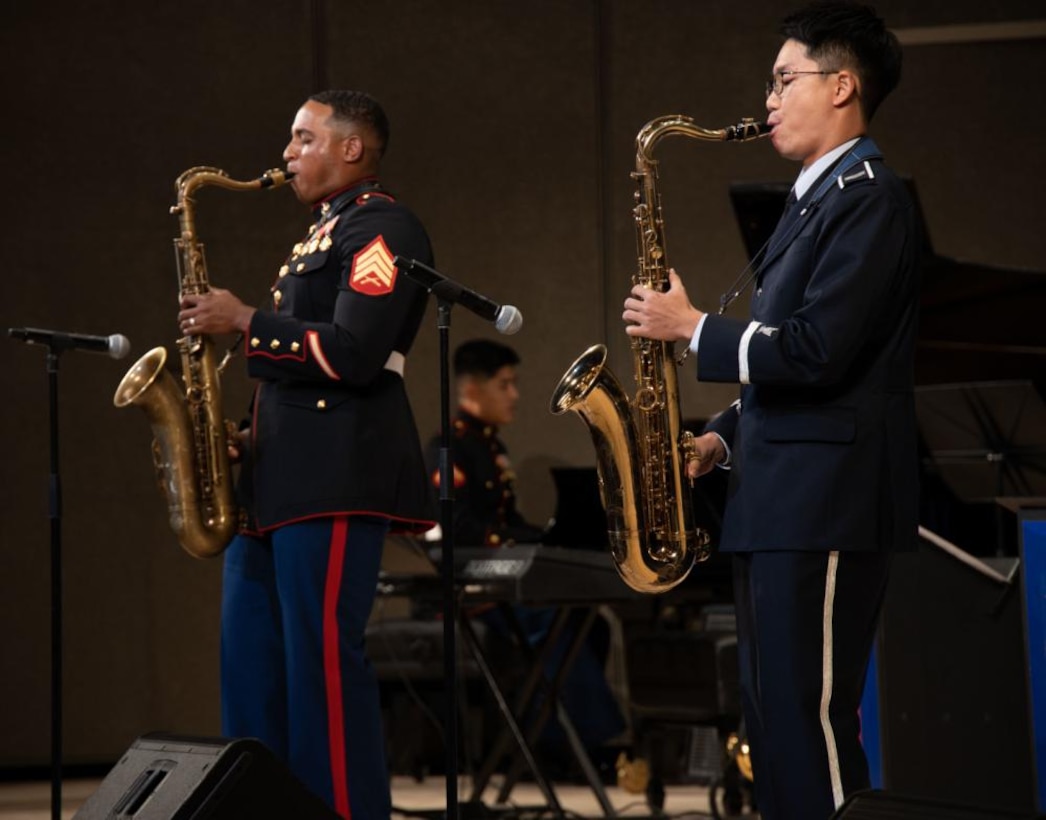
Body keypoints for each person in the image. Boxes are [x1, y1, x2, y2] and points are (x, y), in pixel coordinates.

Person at [622, 4, 916, 819]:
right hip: (778, 494)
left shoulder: (869, 196)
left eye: (786, 79)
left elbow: (820, 351)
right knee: (771, 723)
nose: (770, 98)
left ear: (844, 85)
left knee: (809, 723)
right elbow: (790, 368)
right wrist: (720, 439)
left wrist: (692, 330)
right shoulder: (811, 201)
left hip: (823, 499)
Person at [177, 89, 436, 819]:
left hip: (333, 479)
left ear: (350, 149)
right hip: (274, 480)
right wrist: (246, 436)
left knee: (320, 672)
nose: (286, 154)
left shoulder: (384, 228)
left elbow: (354, 353)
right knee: (251, 670)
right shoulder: (321, 234)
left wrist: (244, 321)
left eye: (301, 139)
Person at [424, 339, 625, 774]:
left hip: (497, 573)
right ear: (473, 390)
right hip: (467, 582)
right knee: (548, 618)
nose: (514, 395)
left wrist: (547, 543)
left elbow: (508, 520)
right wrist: (527, 548)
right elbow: (459, 529)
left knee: (584, 621)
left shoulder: (493, 447)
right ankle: (586, 744)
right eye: (505, 385)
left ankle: (557, 742)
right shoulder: (450, 446)